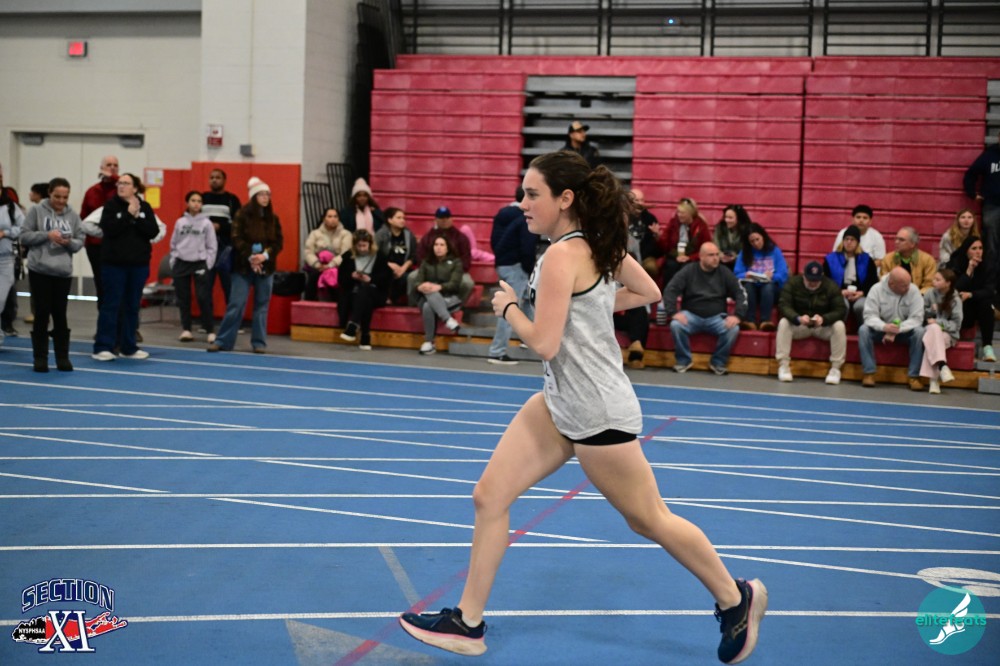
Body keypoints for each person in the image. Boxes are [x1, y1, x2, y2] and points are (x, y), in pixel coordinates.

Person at [398, 151, 766, 664]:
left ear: (565, 198)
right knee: (489, 496)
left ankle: (734, 597)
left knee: (649, 519)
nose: (522, 203)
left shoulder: (561, 256)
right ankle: (467, 621)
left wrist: (509, 308)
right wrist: (588, 305)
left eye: (533, 194)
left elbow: (544, 342)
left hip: (595, 412)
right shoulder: (596, 244)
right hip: (559, 401)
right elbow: (647, 290)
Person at [208, 177, 283, 354]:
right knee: (236, 304)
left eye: (267, 194)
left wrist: (263, 256)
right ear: (254, 197)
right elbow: (236, 238)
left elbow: (278, 243)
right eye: (261, 194)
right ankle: (223, 341)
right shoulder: (241, 215)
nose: (265, 197)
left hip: (266, 268)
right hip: (242, 267)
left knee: (261, 306)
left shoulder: (273, 218)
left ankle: (259, 343)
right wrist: (251, 256)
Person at [91, 173, 158, 362]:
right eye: (119, 183)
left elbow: (153, 231)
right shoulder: (110, 206)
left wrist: (137, 217)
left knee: (132, 307)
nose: (121, 186)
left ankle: (128, 347)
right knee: (111, 305)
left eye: (126, 183)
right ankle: (103, 346)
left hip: (138, 266)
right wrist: (128, 215)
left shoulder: (145, 207)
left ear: (135, 188)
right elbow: (109, 229)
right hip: (114, 265)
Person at [21, 178, 84, 372]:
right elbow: (24, 236)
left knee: (60, 314)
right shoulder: (36, 211)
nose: (61, 201)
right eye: (57, 197)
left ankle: (62, 357)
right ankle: (40, 358)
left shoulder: (73, 215)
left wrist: (68, 242)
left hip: (62, 272)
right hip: (40, 270)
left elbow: (80, 241)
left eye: (65, 197)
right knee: (41, 314)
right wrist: (46, 235)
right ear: (49, 193)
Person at [662, 241, 748, 375]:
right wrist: (673, 312)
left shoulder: (724, 272)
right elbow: (670, 290)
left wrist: (737, 315)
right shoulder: (689, 270)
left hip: (717, 318)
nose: (716, 258)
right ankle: (683, 360)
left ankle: (718, 362)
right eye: (711, 255)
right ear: (701, 257)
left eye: (717, 255)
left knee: (733, 329)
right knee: (676, 325)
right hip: (691, 316)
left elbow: (740, 293)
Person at [775, 261, 847, 384]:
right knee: (783, 322)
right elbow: (783, 305)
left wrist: (824, 319)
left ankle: (835, 368)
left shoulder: (831, 286)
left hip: (822, 327)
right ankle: (783, 366)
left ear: (822, 277)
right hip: (800, 326)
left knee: (839, 326)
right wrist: (797, 318)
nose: (812, 283)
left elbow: (840, 309)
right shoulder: (792, 283)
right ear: (803, 276)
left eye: (816, 281)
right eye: (809, 280)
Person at [487, 192, 538, 365]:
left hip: (503, 263)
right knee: (510, 308)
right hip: (515, 265)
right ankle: (497, 351)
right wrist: (530, 269)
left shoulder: (503, 213)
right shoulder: (526, 219)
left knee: (527, 300)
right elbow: (527, 248)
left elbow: (495, 240)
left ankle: (530, 338)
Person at [857, 267, 925, 389]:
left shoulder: (913, 290)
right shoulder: (876, 289)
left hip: (904, 331)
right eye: (904, 286)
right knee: (863, 330)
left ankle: (914, 376)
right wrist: (884, 327)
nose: (908, 288)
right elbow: (869, 316)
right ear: (892, 284)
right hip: (881, 330)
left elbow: (917, 318)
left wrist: (897, 329)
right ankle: (869, 373)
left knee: (920, 332)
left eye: (909, 283)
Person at [170, 191, 218, 343]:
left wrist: (208, 263)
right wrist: (174, 260)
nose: (196, 203)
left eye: (199, 201)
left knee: (203, 297)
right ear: (187, 203)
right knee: (183, 298)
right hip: (181, 263)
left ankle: (210, 330)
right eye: (193, 200)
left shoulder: (207, 223)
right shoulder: (180, 222)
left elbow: (212, 246)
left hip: (199, 263)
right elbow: (174, 243)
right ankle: (186, 330)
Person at [337, 229, 391, 351]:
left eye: (364, 245)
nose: (362, 249)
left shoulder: (380, 256)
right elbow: (341, 279)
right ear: (354, 245)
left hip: (377, 292)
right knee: (365, 299)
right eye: (359, 246)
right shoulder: (348, 256)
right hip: (354, 292)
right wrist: (351, 276)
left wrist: (371, 279)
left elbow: (387, 279)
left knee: (365, 291)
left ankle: (353, 325)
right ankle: (365, 336)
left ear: (370, 244)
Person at [947, 236, 996, 362]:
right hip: (960, 307)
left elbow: (990, 291)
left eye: (980, 248)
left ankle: (987, 347)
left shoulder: (988, 265)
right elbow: (954, 290)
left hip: (978, 306)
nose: (978, 252)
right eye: (974, 248)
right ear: (966, 251)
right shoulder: (955, 263)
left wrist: (971, 294)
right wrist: (969, 270)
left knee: (986, 303)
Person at [411, 206, 475, 304]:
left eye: (447, 217)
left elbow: (466, 259)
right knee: (412, 277)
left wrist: (454, 271)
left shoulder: (461, 237)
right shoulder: (427, 237)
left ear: (451, 219)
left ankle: (456, 305)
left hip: (455, 270)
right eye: (441, 218)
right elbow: (420, 256)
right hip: (430, 269)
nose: (444, 220)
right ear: (436, 220)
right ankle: (414, 306)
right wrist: (428, 270)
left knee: (467, 283)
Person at [79, 155, 120, 308]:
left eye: (115, 165)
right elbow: (83, 218)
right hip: (95, 245)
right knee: (100, 282)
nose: (112, 167)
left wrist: (114, 178)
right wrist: (85, 240)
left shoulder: (121, 190)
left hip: (116, 244)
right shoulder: (92, 191)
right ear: (101, 168)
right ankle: (103, 317)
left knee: (116, 281)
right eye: (109, 164)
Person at [412, 235, 464, 355]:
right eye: (436, 245)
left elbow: (455, 284)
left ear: (447, 248)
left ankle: (429, 342)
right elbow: (417, 282)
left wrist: (439, 287)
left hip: (449, 298)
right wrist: (420, 286)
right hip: (428, 296)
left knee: (427, 306)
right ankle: (448, 320)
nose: (438, 248)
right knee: (429, 297)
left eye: (442, 245)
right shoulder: (426, 262)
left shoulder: (456, 262)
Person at [733, 223, 788, 331]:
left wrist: (773, 276)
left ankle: (765, 321)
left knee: (768, 287)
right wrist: (746, 275)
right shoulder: (744, 253)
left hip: (771, 289)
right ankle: (750, 321)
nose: (756, 243)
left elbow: (783, 273)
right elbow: (736, 274)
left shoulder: (774, 251)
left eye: (757, 239)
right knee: (748, 287)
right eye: (752, 241)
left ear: (763, 236)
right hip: (752, 287)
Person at [823, 224, 879, 325]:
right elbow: (825, 281)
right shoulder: (831, 259)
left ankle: (863, 329)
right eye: (846, 239)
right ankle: (839, 330)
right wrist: (839, 292)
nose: (849, 242)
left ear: (857, 242)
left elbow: (873, 281)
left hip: (860, 293)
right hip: (839, 293)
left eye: (852, 240)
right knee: (842, 305)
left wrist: (862, 293)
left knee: (861, 306)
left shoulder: (867, 260)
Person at [202, 168, 242, 306]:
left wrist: (220, 227)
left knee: (229, 286)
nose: (214, 180)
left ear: (224, 180)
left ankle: (231, 318)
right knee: (205, 287)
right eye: (212, 177)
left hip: (225, 248)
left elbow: (239, 225)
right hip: (205, 248)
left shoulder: (232, 200)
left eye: (218, 177)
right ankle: (207, 319)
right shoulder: (202, 198)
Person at [920, 269, 963, 394]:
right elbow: (921, 312)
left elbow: (956, 324)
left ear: (948, 283)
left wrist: (938, 322)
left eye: (938, 280)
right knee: (934, 330)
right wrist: (930, 313)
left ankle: (933, 380)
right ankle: (942, 366)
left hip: (949, 334)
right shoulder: (929, 293)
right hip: (929, 328)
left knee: (933, 339)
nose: (933, 281)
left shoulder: (956, 299)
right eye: (934, 278)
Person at [656, 197, 712, 288]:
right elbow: (665, 246)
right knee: (670, 266)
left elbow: (705, 248)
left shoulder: (701, 226)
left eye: (682, 213)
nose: (679, 215)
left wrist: (689, 258)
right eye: (678, 212)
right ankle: (667, 293)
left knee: (686, 268)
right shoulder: (673, 223)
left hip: (693, 258)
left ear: (690, 214)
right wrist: (658, 236)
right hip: (675, 256)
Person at [963, 129, 1000, 261]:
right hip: (992, 206)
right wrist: (972, 193)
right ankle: (991, 274)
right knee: (991, 243)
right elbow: (970, 174)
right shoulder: (989, 154)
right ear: (998, 138)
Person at [303, 207, 352, 301]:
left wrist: (330, 265)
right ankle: (308, 304)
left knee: (336, 277)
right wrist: (317, 264)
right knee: (313, 277)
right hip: (319, 265)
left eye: (335, 216)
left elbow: (344, 254)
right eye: (329, 216)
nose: (333, 219)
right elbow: (308, 252)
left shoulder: (346, 234)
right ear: (324, 219)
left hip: (338, 266)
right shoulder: (315, 233)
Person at [374, 207, 417, 305]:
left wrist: (404, 267)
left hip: (404, 268)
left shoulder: (408, 234)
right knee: (385, 275)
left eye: (403, 218)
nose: (402, 220)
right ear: (390, 220)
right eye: (399, 218)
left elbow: (414, 255)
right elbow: (374, 253)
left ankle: (396, 300)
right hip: (386, 266)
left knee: (408, 277)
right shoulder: (381, 234)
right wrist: (389, 264)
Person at [0, 179, 24, 352]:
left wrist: (5, 233)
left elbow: (23, 227)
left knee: (0, 300)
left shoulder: (11, 207)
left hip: (5, 260)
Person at [881, 226, 936, 292]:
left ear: (912, 244)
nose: (896, 242)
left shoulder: (928, 260)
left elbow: (929, 285)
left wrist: (915, 296)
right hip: (893, 295)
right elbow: (884, 283)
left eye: (901, 240)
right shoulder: (887, 259)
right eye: (896, 239)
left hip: (919, 296)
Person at [628, 188, 663, 280]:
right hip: (626, 256)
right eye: (636, 200)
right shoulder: (622, 217)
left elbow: (657, 250)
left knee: (652, 267)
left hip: (645, 257)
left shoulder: (650, 219)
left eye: (642, 200)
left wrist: (657, 237)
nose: (640, 203)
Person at [714, 204, 752, 271]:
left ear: (739, 219)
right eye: (725, 217)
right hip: (721, 264)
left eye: (730, 218)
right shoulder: (720, 228)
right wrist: (720, 254)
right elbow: (715, 245)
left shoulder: (747, 231)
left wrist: (736, 257)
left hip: (741, 264)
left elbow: (749, 251)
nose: (727, 220)